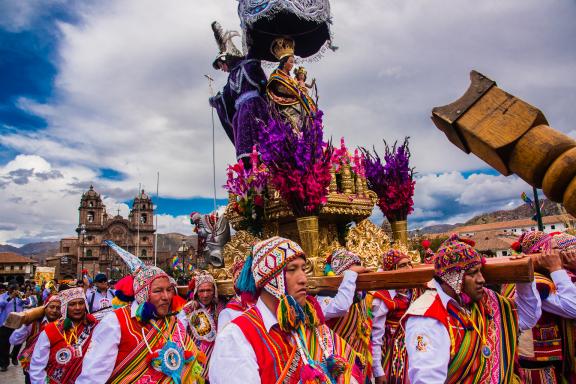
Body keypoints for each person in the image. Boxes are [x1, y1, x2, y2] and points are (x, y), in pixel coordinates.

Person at [209, 236, 362, 383]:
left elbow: (348, 370)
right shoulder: (236, 338)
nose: (303, 279)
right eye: (292, 269)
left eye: (303, 268)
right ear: (270, 279)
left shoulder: (310, 324)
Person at [403, 234, 542, 383]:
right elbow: (427, 380)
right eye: (472, 273)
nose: (482, 279)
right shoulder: (427, 318)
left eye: (480, 271)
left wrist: (521, 276)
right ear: (452, 278)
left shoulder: (486, 299)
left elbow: (527, 318)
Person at [76, 241, 204, 384]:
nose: (166, 296)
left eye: (169, 290)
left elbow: (190, 367)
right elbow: (92, 378)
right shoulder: (115, 323)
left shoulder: (174, 322)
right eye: (158, 291)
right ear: (142, 294)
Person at [507, 231, 576, 383]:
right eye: (555, 249)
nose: (561, 253)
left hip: (546, 359)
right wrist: (556, 268)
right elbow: (573, 308)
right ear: (543, 253)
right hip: (534, 362)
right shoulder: (539, 282)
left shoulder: (547, 277)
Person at [209, 21, 270, 161]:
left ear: (227, 60)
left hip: (256, 109)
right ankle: (251, 175)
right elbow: (225, 97)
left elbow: (262, 82)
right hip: (241, 115)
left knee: (261, 145)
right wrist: (216, 101)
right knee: (246, 150)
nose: (222, 69)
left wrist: (250, 31)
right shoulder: (231, 77)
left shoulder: (248, 64)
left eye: (221, 65)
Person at [317, 249, 371, 381]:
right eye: (354, 273)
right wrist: (351, 275)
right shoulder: (323, 296)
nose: (357, 277)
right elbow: (341, 306)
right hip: (337, 367)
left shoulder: (359, 296)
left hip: (359, 364)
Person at [371, 249, 422, 384]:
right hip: (393, 358)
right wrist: (378, 371)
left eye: (409, 264)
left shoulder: (418, 289)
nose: (408, 268)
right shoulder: (383, 298)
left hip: (417, 353)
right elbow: (376, 337)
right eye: (402, 265)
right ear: (392, 270)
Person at [29, 287, 98, 383]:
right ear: (65, 307)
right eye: (72, 304)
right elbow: (37, 365)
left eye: (81, 303)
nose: (77, 307)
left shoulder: (95, 327)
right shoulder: (51, 330)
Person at [266, 37, 317, 131]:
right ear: (284, 63)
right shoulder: (276, 76)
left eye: (293, 62)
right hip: (285, 106)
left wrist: (301, 90)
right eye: (291, 62)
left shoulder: (291, 78)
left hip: (298, 103)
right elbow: (280, 89)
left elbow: (297, 89)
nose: (293, 65)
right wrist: (299, 91)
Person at [179, 271, 223, 380]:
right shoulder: (188, 309)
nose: (205, 295)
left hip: (215, 358)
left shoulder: (220, 308)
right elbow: (180, 334)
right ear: (196, 292)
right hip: (194, 358)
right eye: (201, 291)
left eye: (209, 290)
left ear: (214, 291)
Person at [10, 294, 61, 384]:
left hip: (55, 369)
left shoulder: (63, 324)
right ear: (45, 307)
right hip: (32, 368)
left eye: (58, 308)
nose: (54, 311)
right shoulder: (34, 323)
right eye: (51, 307)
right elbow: (14, 340)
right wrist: (25, 325)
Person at [217, 259, 255, 331]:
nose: (246, 282)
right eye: (241, 278)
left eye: (249, 277)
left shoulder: (261, 303)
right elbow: (223, 340)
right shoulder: (227, 313)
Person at [0, 283, 28, 372]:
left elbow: (27, 302)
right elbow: (2, 304)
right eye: (12, 289)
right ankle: (4, 363)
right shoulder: (3, 296)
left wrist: (23, 296)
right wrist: (11, 297)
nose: (14, 290)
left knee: (19, 341)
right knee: (4, 344)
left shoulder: (20, 295)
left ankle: (14, 356)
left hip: (18, 322)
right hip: (6, 323)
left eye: (15, 289)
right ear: (8, 289)